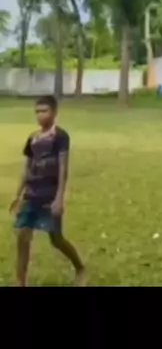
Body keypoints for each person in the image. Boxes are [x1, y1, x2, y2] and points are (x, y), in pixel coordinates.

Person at [9, 95, 86, 287]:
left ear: (54, 112)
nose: (40, 115)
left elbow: (63, 168)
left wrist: (59, 198)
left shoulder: (60, 136)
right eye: (37, 112)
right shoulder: (33, 138)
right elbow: (26, 168)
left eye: (44, 111)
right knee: (22, 237)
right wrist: (17, 195)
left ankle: (80, 267)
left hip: (49, 195)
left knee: (56, 239)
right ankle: (21, 282)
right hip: (31, 194)